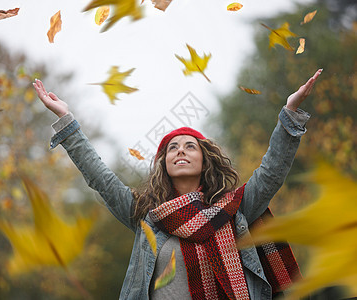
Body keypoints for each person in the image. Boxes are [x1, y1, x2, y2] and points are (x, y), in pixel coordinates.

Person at [33, 69, 323, 300]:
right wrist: (66, 121)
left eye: (189, 146)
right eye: (172, 148)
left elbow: (272, 171)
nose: (180, 151)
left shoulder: (236, 207)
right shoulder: (147, 215)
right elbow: (101, 179)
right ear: (165, 163)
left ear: (205, 159)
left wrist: (290, 114)